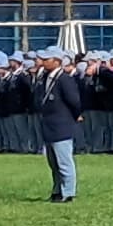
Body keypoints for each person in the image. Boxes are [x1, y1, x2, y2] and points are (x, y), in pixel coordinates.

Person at [28, 56, 86, 203]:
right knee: (53, 162)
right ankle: (57, 190)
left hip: (61, 124)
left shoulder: (64, 79)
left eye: (47, 59)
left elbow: (74, 101)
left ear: (57, 61)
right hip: (48, 124)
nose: (43, 62)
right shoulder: (45, 77)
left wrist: (74, 116)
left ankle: (68, 192)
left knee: (64, 160)